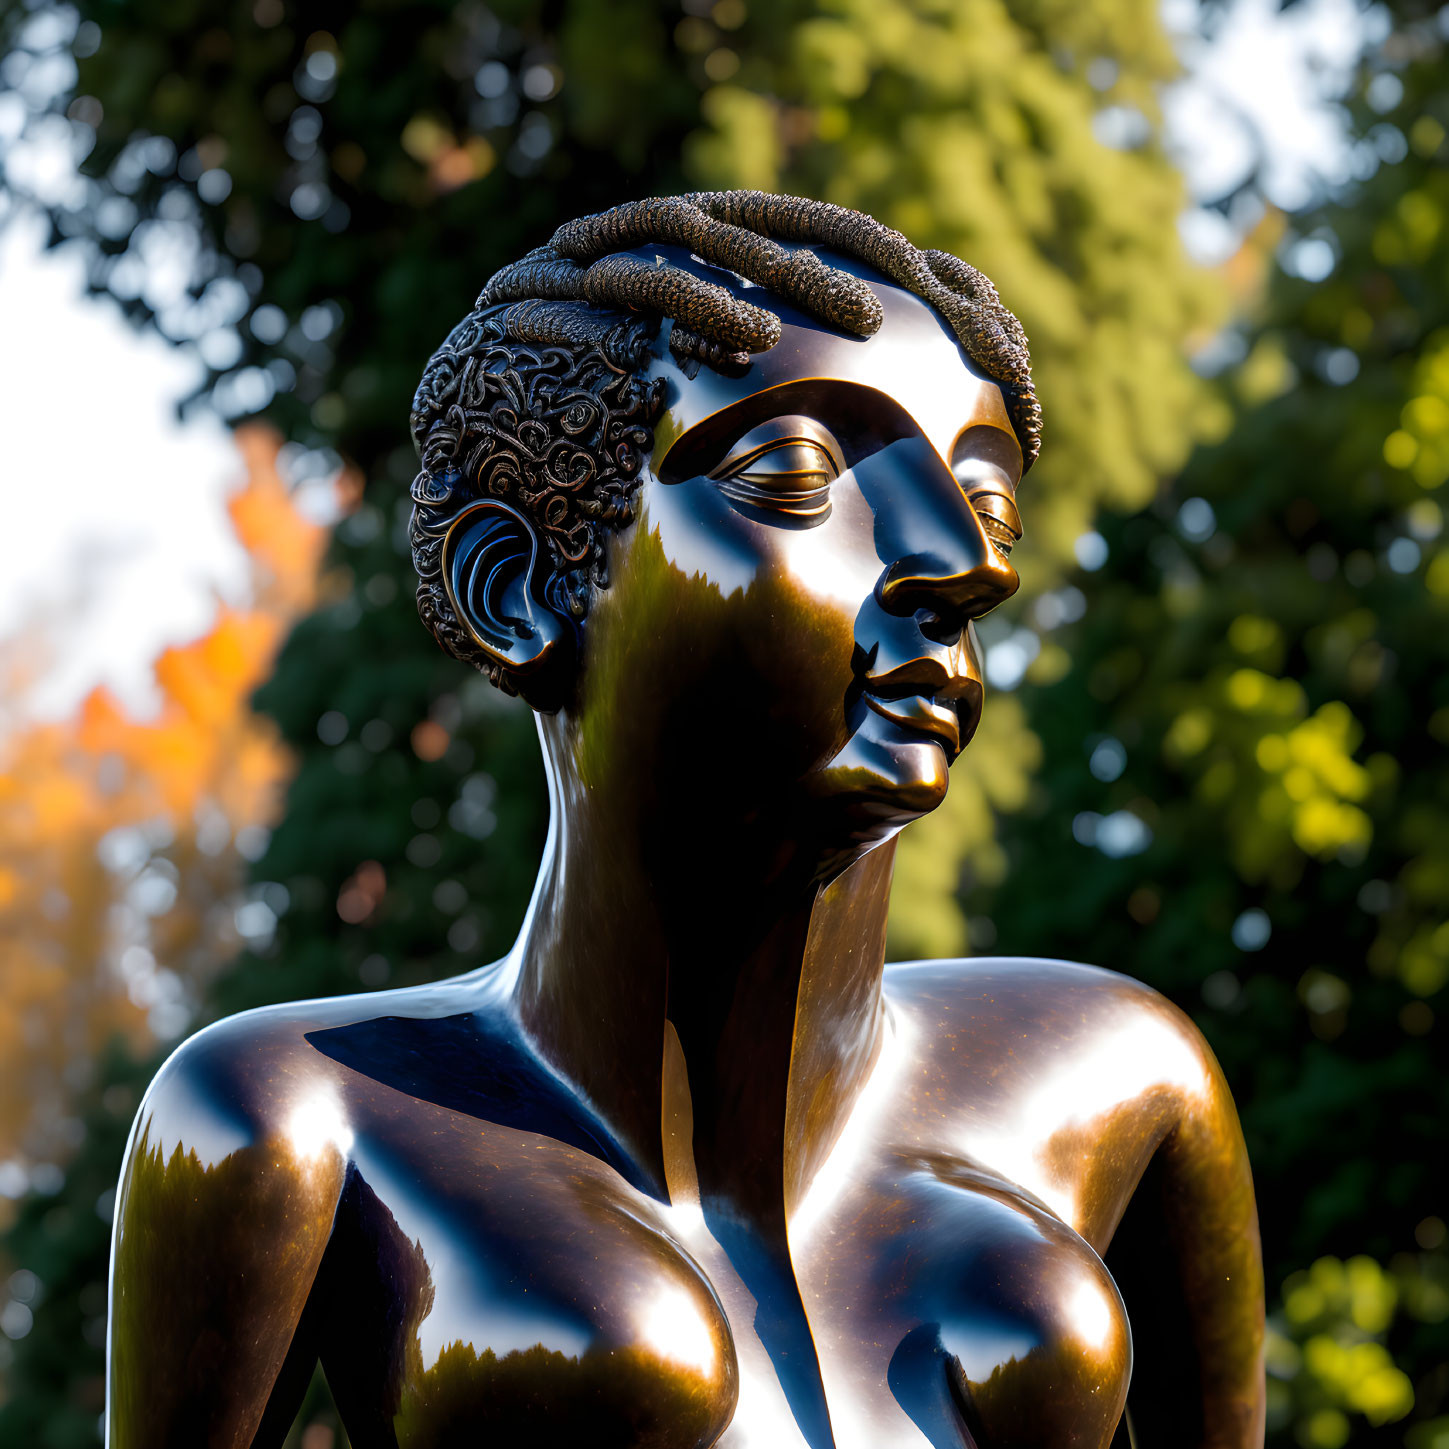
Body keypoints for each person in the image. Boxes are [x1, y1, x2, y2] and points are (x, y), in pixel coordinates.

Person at [106, 193, 1264, 1449]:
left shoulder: (1124, 1086)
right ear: (520, 589)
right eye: (795, 475)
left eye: (985, 502)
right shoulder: (293, 1126)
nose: (965, 564)